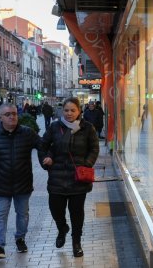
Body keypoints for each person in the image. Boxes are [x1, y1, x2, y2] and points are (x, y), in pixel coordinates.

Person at [38, 97, 99, 257]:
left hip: (78, 178)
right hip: (57, 177)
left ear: (79, 111)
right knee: (56, 209)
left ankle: (76, 242)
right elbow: (43, 146)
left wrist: (86, 164)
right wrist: (45, 161)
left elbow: (94, 148)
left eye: (73, 110)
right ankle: (62, 228)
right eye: (66, 110)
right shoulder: (54, 127)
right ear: (62, 111)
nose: (69, 113)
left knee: (76, 212)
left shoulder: (87, 128)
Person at [0, 103, 42, 259]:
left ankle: (20, 238)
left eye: (14, 113)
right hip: (1, 186)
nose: (12, 116)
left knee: (23, 214)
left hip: (23, 183)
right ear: (0, 117)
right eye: (8, 114)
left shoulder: (27, 133)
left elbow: (43, 145)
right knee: (0, 215)